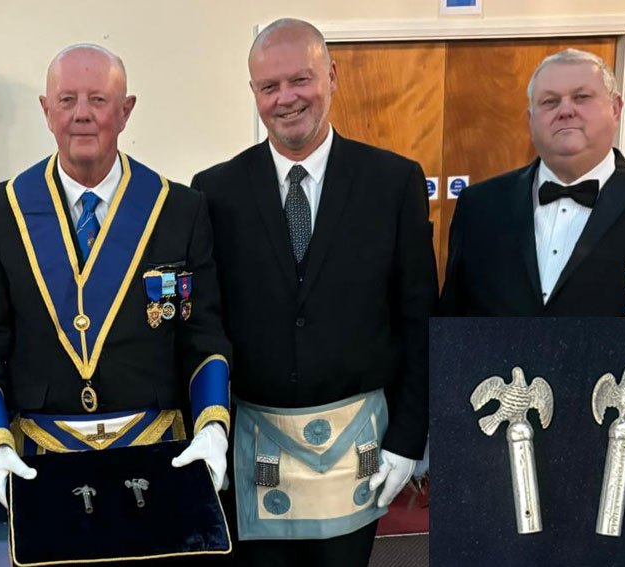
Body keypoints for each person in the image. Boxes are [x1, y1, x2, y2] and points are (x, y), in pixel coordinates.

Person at [0, 43, 233, 561]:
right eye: (67, 99)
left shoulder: (178, 208)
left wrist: (214, 425)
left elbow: (203, 336)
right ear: (46, 110)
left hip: (156, 459)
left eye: (98, 100)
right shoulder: (2, 208)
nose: (81, 113)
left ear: (126, 110)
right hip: (43, 464)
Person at [190, 19, 434, 566]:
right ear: (253, 93)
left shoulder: (393, 183)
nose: (286, 99)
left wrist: (409, 437)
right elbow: (206, 321)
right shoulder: (214, 191)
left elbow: (418, 318)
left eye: (300, 80)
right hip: (254, 450)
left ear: (332, 75)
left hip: (359, 451)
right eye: (268, 87)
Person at [439, 48, 625, 316]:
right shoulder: (478, 205)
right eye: (550, 101)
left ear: (616, 109)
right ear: (530, 120)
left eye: (581, 97)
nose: (566, 110)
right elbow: (452, 324)